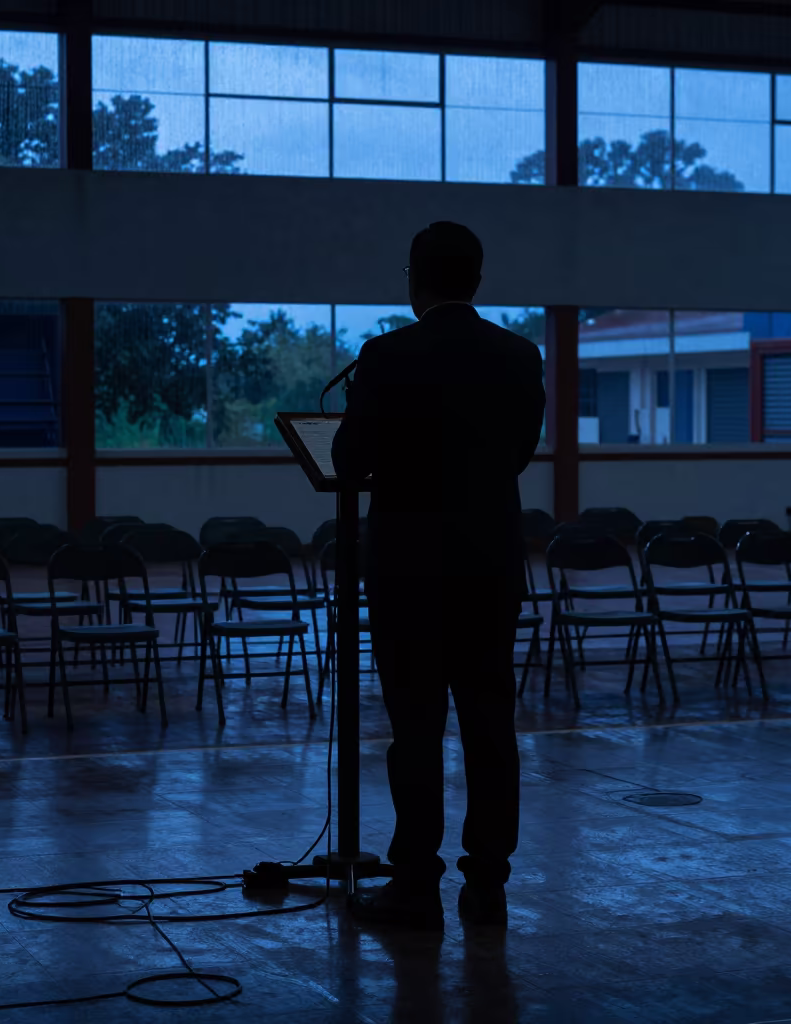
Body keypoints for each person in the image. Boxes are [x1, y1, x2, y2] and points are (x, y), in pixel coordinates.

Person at [331, 221, 546, 931]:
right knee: (490, 727)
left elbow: (348, 463)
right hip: (488, 570)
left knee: (416, 731)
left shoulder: (388, 356)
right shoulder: (520, 356)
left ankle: (415, 884)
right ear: (477, 279)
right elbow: (516, 453)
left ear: (413, 279)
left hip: (410, 574)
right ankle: (488, 883)